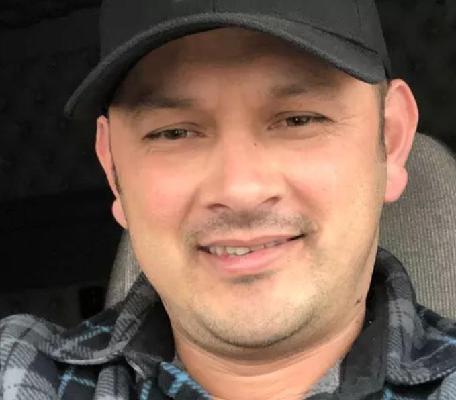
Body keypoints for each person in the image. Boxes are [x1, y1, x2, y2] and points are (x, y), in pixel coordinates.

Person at [1, 0, 456, 399]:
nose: (240, 190)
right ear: (113, 169)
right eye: (173, 133)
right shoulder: (19, 371)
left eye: (299, 120)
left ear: (391, 140)